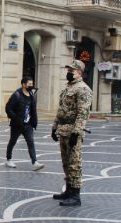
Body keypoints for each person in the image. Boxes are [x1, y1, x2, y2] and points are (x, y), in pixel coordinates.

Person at [51, 60, 92, 206]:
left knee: (74, 163)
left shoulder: (83, 89)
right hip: (63, 130)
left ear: (79, 72)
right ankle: (68, 190)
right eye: (68, 70)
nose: (68, 72)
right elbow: (61, 109)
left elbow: (83, 113)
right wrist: (54, 126)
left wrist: (76, 132)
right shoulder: (68, 87)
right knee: (66, 163)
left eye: (71, 70)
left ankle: (75, 195)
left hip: (73, 131)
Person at [5, 76, 44, 171]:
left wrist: (34, 122)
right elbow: (8, 108)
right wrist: (15, 118)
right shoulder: (16, 95)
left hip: (28, 124)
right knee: (12, 141)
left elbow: (33, 110)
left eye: (32, 84)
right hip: (17, 125)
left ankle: (35, 162)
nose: (31, 85)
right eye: (29, 84)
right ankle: (8, 159)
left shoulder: (31, 94)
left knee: (31, 142)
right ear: (23, 84)